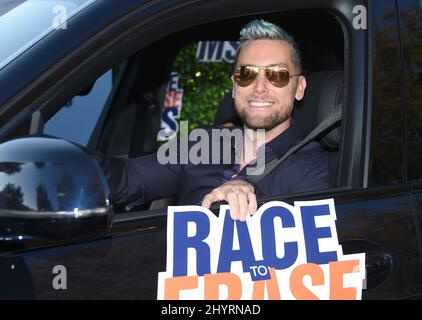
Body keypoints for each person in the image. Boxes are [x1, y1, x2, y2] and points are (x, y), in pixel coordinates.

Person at [96, 19, 334, 221]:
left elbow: (306, 262)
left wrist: (252, 199)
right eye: (247, 74)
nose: (260, 87)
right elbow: (128, 180)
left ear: (299, 88)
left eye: (278, 75)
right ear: (234, 87)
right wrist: (68, 163)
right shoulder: (205, 143)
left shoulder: (311, 171)